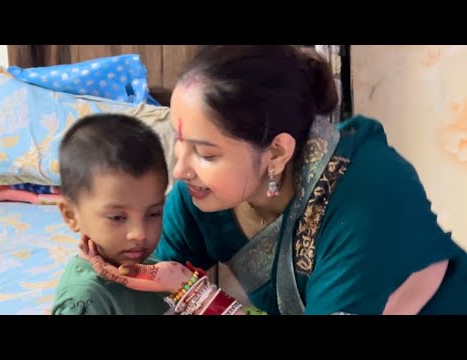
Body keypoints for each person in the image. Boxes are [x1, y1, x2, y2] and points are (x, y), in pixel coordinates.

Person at [82, 45, 467, 315]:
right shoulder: (200, 195)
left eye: (206, 153)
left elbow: (177, 284)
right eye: (179, 142)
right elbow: (152, 276)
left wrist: (191, 291)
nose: (180, 169)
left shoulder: (369, 197)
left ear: (277, 153)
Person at [51, 113, 192, 315]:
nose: (139, 234)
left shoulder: (156, 270)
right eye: (117, 217)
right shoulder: (86, 298)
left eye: (153, 213)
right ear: (71, 215)